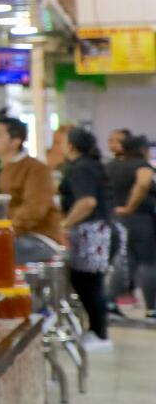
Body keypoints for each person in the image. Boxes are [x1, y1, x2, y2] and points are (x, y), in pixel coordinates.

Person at [0, 116, 63, 259]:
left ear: (15, 142)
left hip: (34, 237)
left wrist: (2, 231)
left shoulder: (36, 169)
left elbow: (34, 209)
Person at [61, 126, 113, 350]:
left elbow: (87, 201)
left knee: (89, 283)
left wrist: (65, 223)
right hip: (94, 229)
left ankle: (99, 334)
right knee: (88, 282)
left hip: (89, 231)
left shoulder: (80, 168)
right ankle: (96, 330)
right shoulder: (87, 166)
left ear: (71, 145)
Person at [113, 133, 156, 314]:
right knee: (148, 263)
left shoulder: (111, 166)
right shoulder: (141, 166)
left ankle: (110, 303)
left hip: (115, 220)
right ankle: (152, 308)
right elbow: (143, 183)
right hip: (138, 219)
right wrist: (130, 207)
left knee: (122, 263)